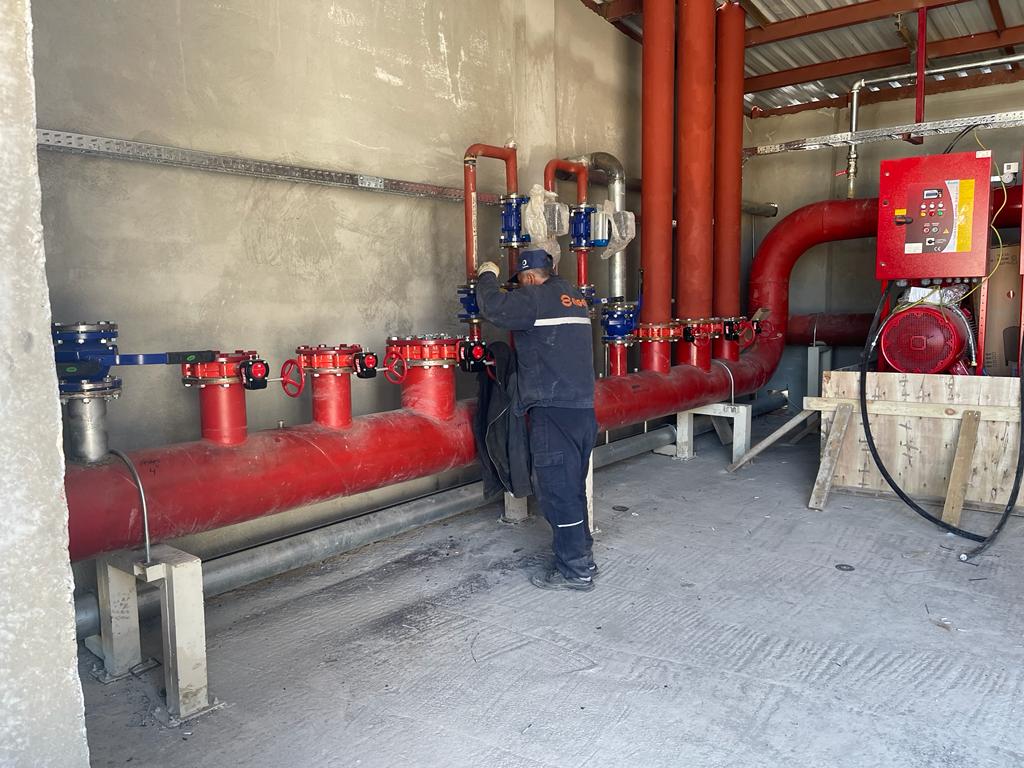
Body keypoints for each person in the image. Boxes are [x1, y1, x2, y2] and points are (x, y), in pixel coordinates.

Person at [475, 248, 598, 592]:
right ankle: (583, 557)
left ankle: (575, 571)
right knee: (572, 487)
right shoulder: (573, 296)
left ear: (529, 277)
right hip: (582, 410)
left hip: (552, 410)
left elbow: (493, 307)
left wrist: (486, 276)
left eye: (519, 284)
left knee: (557, 491)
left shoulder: (534, 299)